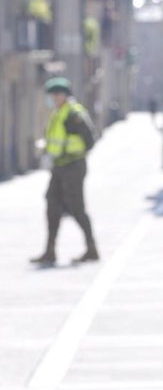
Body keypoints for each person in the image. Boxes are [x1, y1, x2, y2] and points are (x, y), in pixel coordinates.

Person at [30, 77, 98, 266]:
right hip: (59, 166)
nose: (52, 98)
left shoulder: (73, 114)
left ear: (63, 95)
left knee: (76, 207)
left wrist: (70, 150)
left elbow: (89, 140)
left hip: (73, 166)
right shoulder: (58, 113)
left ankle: (91, 248)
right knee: (52, 204)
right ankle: (50, 250)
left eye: (54, 95)